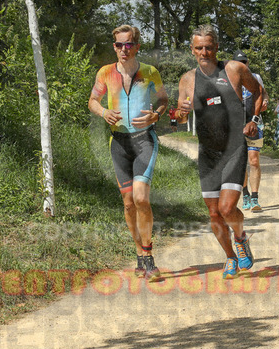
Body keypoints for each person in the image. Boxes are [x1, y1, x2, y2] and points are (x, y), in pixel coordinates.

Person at [176, 25, 263, 279]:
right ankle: (230, 257)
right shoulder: (187, 80)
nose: (204, 52)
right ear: (192, 50)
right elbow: (180, 118)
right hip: (208, 154)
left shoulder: (234, 69)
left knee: (226, 208)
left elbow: (258, 91)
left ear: (216, 47)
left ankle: (241, 237)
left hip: (234, 148)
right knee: (214, 213)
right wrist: (181, 112)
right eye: (199, 48)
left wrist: (254, 119)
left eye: (209, 47)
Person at [88, 25, 169, 281]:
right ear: (114, 47)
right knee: (128, 203)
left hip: (144, 141)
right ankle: (138, 254)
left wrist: (156, 114)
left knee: (141, 198)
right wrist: (103, 112)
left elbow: (164, 100)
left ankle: (149, 255)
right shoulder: (105, 73)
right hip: (119, 143)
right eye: (119, 45)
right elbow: (92, 101)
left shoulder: (149, 72)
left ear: (137, 46)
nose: (124, 49)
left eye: (129, 44)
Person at [233, 50, 269, 212]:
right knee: (241, 163)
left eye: (244, 62)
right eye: (239, 63)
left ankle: (255, 198)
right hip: (236, 126)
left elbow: (263, 94)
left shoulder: (256, 78)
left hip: (254, 124)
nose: (242, 65)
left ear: (247, 63)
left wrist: (265, 101)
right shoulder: (229, 80)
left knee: (253, 161)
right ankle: (245, 194)